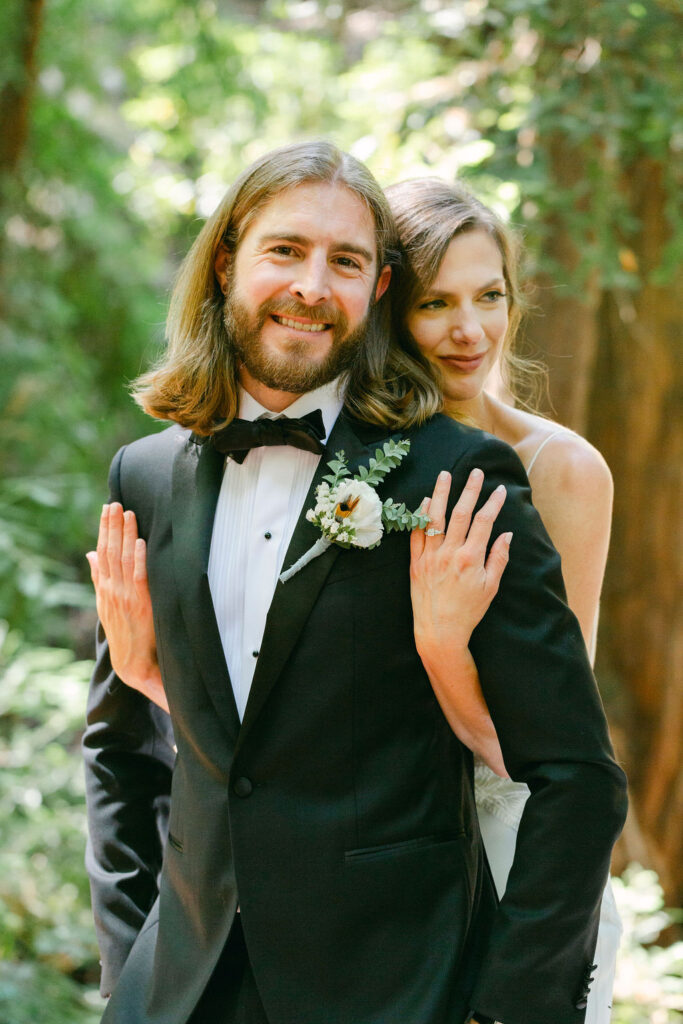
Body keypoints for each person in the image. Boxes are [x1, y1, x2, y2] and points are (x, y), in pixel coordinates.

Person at [82, 140, 627, 1024]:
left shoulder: (460, 476)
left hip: (393, 990)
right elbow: (121, 747)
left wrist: (506, 1007)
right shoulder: (142, 475)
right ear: (226, 263)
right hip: (178, 991)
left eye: (346, 262)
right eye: (285, 251)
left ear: (376, 291)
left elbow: (575, 775)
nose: (311, 286)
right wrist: (132, 967)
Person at [386, 176, 623, 1024]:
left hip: (510, 855)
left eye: (489, 296)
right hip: (369, 870)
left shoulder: (558, 469)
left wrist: (442, 649)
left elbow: (551, 746)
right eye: (433, 303)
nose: (468, 330)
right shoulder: (351, 469)